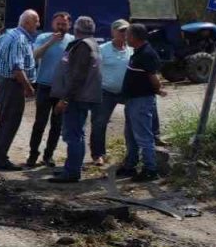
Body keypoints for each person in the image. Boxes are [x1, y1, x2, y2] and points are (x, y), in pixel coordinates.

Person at [48, 16, 103, 183]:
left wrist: (65, 99)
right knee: (77, 133)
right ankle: (71, 168)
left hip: (76, 97)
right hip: (83, 96)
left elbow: (77, 77)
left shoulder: (82, 46)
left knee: (73, 134)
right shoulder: (92, 44)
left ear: (76, 30)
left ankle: (72, 172)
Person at [0, 9, 39, 171]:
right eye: (36, 21)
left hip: (6, 82)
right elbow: (17, 68)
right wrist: (28, 87)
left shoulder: (11, 34)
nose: (38, 24)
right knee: (11, 121)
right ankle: (1, 158)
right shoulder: (19, 39)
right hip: (13, 84)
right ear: (27, 22)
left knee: (5, 118)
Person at [117, 23, 167, 182]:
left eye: (127, 34)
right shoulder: (138, 52)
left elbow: (154, 78)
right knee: (130, 135)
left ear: (133, 37)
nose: (125, 37)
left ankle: (150, 169)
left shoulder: (147, 53)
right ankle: (130, 165)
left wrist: (158, 89)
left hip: (141, 101)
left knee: (143, 136)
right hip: (132, 101)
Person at [27, 11, 74, 167]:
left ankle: (48, 156)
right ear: (53, 24)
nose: (60, 27)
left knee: (57, 124)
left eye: (64, 24)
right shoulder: (42, 37)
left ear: (69, 25)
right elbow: (34, 55)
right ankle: (33, 155)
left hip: (61, 89)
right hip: (44, 86)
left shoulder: (72, 41)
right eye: (58, 24)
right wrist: (50, 42)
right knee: (40, 122)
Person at [91, 19, 131, 166]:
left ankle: (132, 154)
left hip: (126, 92)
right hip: (106, 91)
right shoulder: (103, 49)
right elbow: (93, 70)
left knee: (133, 121)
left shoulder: (131, 49)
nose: (124, 33)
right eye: (121, 30)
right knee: (99, 122)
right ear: (113, 32)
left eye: (127, 30)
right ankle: (98, 154)